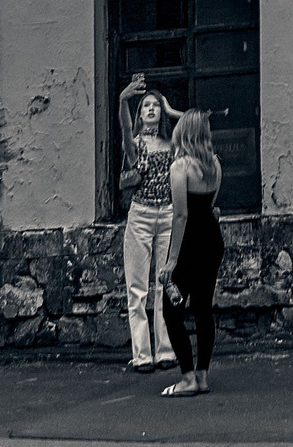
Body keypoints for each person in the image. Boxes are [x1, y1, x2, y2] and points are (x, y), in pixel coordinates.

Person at [157, 107, 226, 397]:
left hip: (189, 242)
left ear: (182, 132)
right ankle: (202, 375)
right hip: (212, 239)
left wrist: (171, 260)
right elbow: (211, 207)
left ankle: (186, 378)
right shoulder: (215, 164)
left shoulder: (180, 167)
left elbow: (181, 215)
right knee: (202, 308)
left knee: (171, 311)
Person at [117, 75, 180, 372]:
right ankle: (142, 354)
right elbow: (125, 129)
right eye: (148, 106)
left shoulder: (171, 144)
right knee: (138, 288)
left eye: (156, 105)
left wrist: (171, 110)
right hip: (141, 214)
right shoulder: (137, 145)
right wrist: (123, 100)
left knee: (164, 284)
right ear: (140, 114)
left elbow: (195, 124)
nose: (152, 109)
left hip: (167, 214)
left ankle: (165, 350)